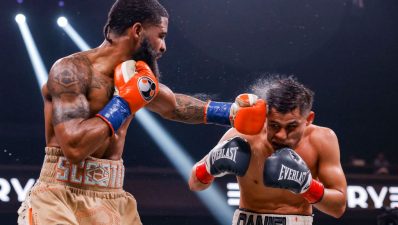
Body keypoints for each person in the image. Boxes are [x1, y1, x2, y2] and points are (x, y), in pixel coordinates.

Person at [16, 0, 267, 224]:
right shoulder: (71, 71)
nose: (163, 47)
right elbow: (74, 147)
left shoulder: (134, 77)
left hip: (112, 197)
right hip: (60, 197)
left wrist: (231, 113)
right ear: (137, 31)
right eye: (161, 35)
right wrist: (123, 104)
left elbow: (174, 106)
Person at [189, 76, 347, 225]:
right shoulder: (243, 136)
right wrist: (209, 165)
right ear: (265, 116)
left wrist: (307, 186)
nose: (281, 135)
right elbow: (194, 184)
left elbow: (338, 208)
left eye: (291, 126)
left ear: (308, 119)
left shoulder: (322, 139)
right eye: (274, 125)